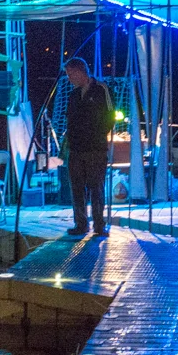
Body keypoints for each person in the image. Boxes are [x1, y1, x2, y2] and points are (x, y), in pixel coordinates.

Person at [61, 56, 113, 237]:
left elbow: (110, 115)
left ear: (79, 72)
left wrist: (97, 133)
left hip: (95, 148)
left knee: (96, 187)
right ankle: (81, 223)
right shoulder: (74, 95)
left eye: (70, 74)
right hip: (76, 148)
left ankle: (99, 224)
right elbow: (70, 120)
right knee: (77, 187)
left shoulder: (101, 89)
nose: (69, 78)